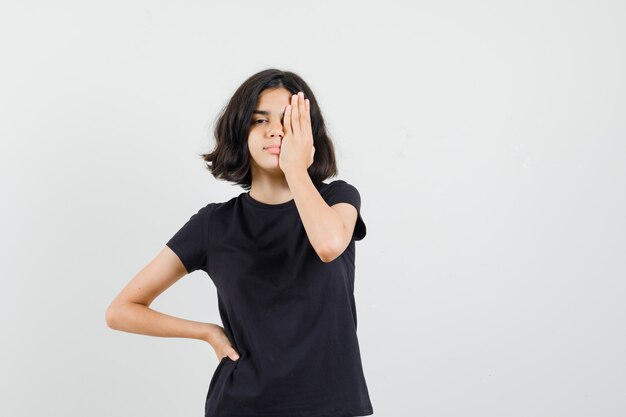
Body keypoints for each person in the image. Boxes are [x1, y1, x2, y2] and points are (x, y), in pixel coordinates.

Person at [105, 68, 373, 417]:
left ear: (308, 134)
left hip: (333, 406)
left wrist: (295, 169)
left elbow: (327, 244)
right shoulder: (214, 224)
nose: (275, 130)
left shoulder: (338, 198)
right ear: (241, 130)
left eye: (288, 121)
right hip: (242, 405)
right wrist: (208, 333)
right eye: (259, 120)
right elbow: (121, 311)